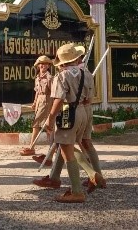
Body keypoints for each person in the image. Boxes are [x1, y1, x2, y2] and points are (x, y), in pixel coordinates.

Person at [34, 43, 102, 203]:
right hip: (83, 111)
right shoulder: (85, 73)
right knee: (67, 145)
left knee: (67, 150)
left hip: (68, 112)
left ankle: (79, 188)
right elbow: (89, 98)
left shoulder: (62, 76)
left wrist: (50, 118)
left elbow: (58, 100)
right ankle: (90, 174)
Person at [20, 55, 54, 160]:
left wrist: (52, 106)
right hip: (40, 101)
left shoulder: (49, 78)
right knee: (47, 126)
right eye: (41, 64)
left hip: (46, 102)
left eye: (46, 64)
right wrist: (35, 103)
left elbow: (53, 93)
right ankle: (54, 148)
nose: (43, 65)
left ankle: (32, 147)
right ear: (38, 65)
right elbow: (37, 92)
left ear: (48, 66)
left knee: (38, 124)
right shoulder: (38, 77)